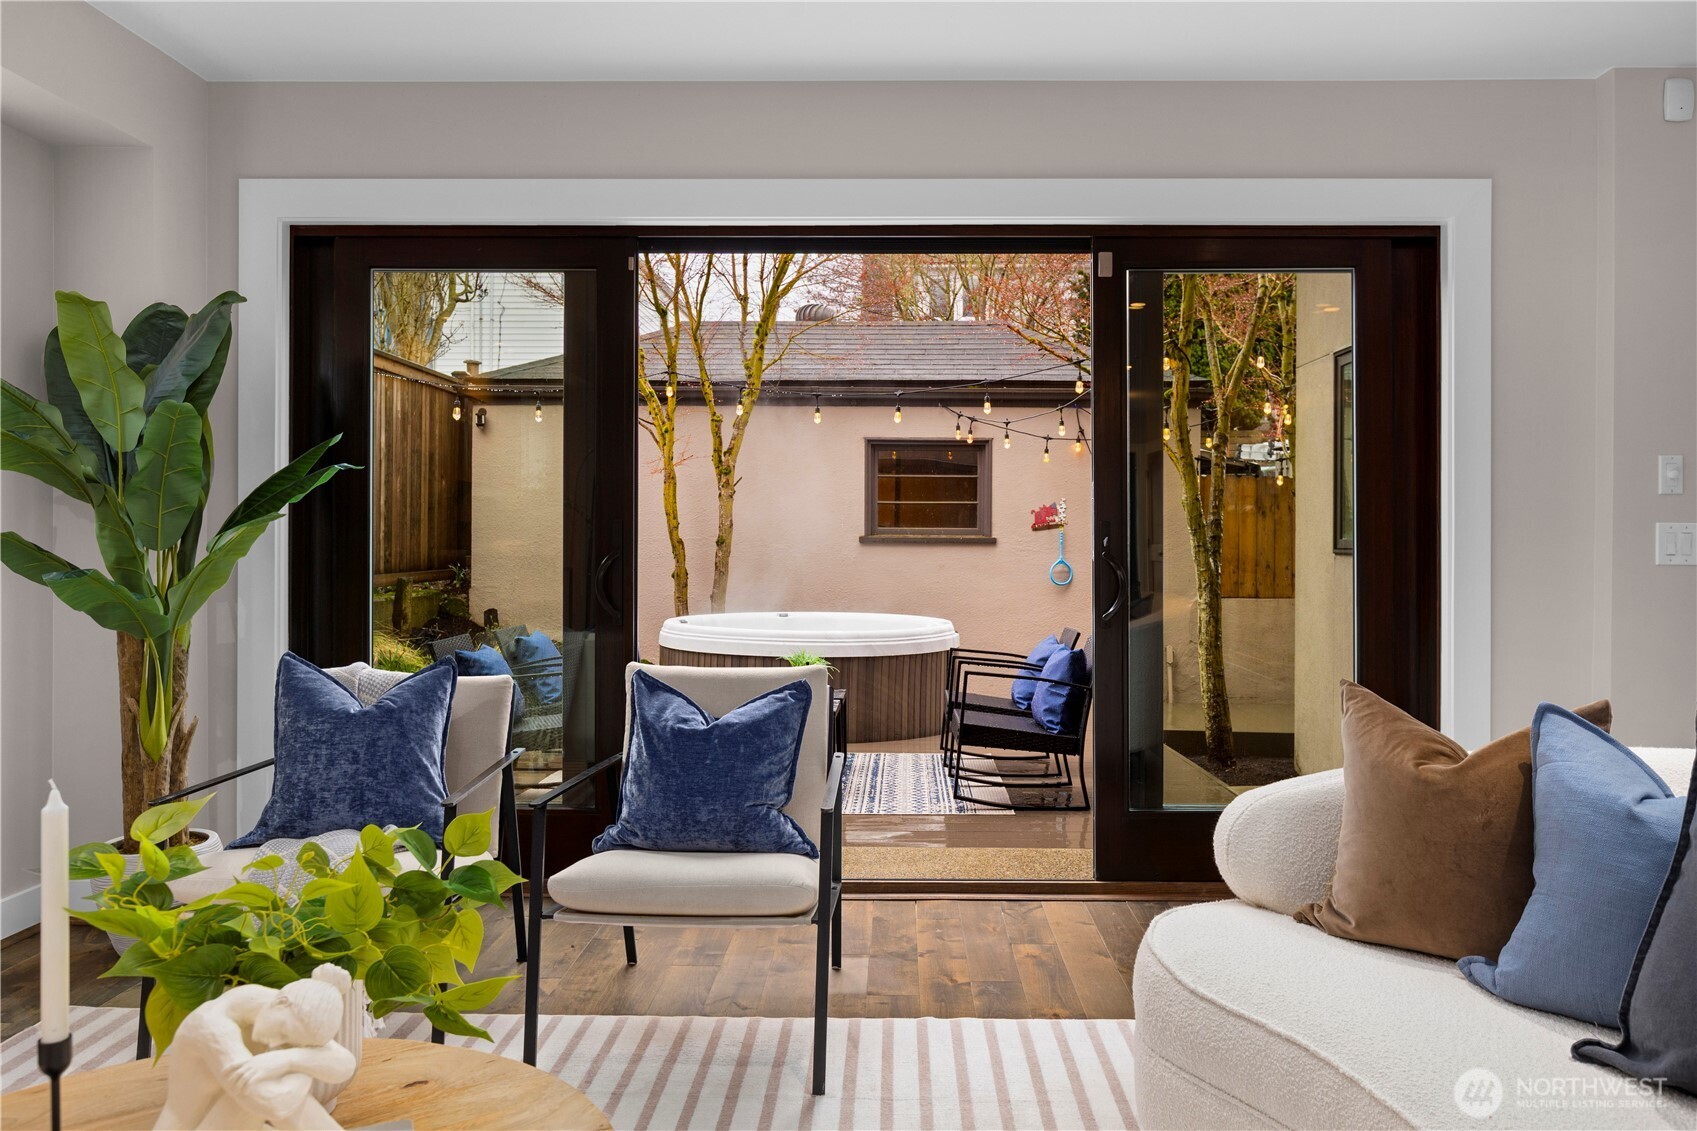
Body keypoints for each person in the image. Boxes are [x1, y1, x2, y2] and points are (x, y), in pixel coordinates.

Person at [154, 964, 356, 1131]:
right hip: (194, 1126)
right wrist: (302, 1065)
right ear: (281, 1003)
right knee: (255, 1088)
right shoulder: (212, 1025)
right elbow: (272, 1104)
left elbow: (345, 1064)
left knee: (264, 1080)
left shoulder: (283, 1008)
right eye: (284, 1033)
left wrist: (287, 1059)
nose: (278, 1043)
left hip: (244, 1121)